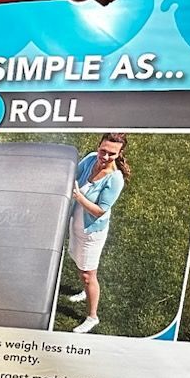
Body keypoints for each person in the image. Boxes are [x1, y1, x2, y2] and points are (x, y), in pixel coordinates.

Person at [66, 133, 130, 334]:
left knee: (88, 274)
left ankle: (92, 317)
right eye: (103, 150)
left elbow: (100, 210)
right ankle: (85, 292)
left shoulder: (115, 179)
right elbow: (73, 175)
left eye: (112, 154)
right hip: (76, 222)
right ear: (98, 146)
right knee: (79, 263)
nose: (105, 156)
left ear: (120, 154)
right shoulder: (91, 158)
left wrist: (78, 196)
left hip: (91, 231)